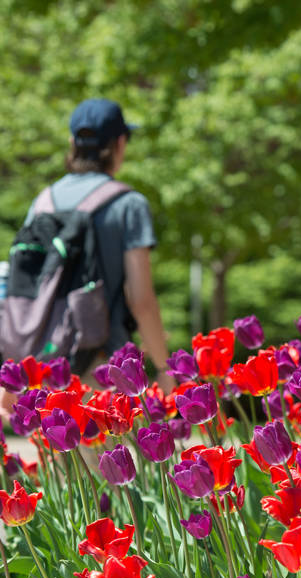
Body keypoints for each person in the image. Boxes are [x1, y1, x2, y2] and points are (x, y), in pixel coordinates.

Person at [2, 98, 174, 406]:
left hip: (47, 371)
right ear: (120, 143)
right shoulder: (128, 205)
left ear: (72, 143)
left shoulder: (43, 202)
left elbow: (23, 288)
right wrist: (164, 367)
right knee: (109, 453)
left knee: (61, 454)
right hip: (104, 369)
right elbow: (141, 299)